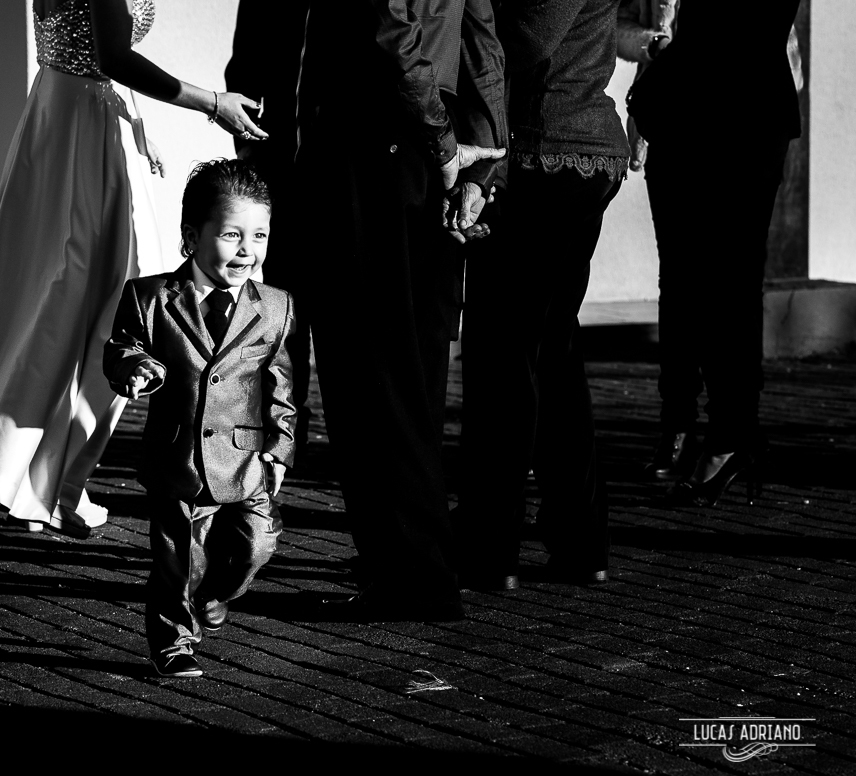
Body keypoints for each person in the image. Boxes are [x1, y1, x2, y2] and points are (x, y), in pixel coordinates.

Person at [0, 0, 267, 537]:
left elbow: (91, 57)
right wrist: (213, 104)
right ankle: (34, 480)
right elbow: (113, 55)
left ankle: (14, 475)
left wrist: (131, 126)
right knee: (96, 307)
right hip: (80, 128)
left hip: (71, 116)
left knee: (54, 299)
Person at [296, 0, 505, 619]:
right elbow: (484, 48)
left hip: (378, 141)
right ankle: (409, 565)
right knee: (414, 371)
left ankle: (413, 576)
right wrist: (480, 166)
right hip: (425, 149)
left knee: (370, 371)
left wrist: (448, 148)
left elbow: (393, 29)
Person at [458, 0, 629, 590]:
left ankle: (489, 545)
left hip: (546, 152)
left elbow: (526, 41)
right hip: (572, 151)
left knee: (502, 354)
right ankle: (579, 539)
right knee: (550, 351)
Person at [104, 160, 295, 678]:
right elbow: (121, 347)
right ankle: (173, 642)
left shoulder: (275, 307)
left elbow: (279, 386)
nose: (247, 250)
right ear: (192, 236)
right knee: (177, 560)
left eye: (259, 236)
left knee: (258, 544)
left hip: (245, 458)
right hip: (178, 456)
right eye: (232, 235)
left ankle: (216, 594)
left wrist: (280, 448)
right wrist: (135, 368)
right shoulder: (150, 297)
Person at [623, 2, 803, 507]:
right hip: (741, 112)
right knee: (724, 282)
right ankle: (726, 434)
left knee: (716, 282)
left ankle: (727, 437)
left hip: (714, 114)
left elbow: (714, 36)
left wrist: (647, 98)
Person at [224, 0, 313, 461]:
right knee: (283, 308)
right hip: (280, 166)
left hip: (347, 172)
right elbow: (244, 65)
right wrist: (249, 148)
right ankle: (283, 428)